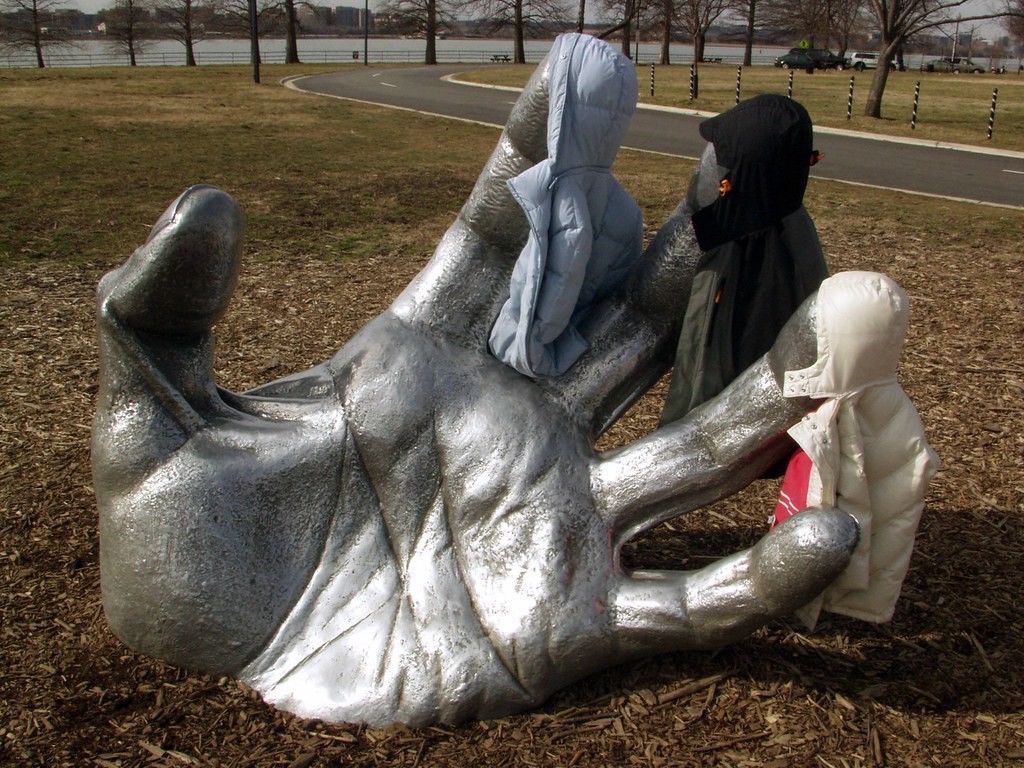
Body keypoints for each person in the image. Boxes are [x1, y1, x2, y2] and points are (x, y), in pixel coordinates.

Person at [661, 95, 829, 424]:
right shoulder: (766, 225)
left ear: (747, 167)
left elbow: (718, 378)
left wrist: (688, 426)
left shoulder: (763, 260)